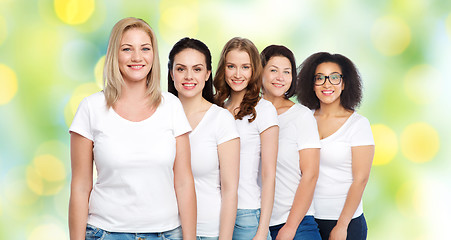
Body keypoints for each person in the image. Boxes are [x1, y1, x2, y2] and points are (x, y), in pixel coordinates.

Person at [68, 17, 196, 240]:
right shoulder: (91, 108)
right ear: (114, 55)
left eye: (145, 48)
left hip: (166, 234)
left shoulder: (172, 107)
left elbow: (184, 181)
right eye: (127, 49)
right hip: (106, 233)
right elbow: (80, 186)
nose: (137, 57)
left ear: (153, 55)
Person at [167, 37, 240, 240]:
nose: (189, 76)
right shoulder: (159, 116)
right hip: (163, 231)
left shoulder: (221, 119)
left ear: (207, 74)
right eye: (181, 69)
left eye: (197, 69)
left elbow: (230, 190)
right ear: (171, 73)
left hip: (207, 232)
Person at [297, 52, 375, 240]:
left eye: (334, 77)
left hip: (344, 222)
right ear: (311, 84)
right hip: (306, 219)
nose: (327, 84)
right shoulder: (302, 119)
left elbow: (361, 179)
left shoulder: (358, 124)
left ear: (344, 83)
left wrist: (342, 226)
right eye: (320, 78)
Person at [213, 37, 279, 240]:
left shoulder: (264, 110)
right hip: (214, 213)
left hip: (247, 215)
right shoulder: (216, 108)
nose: (238, 74)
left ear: (254, 71)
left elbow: (269, 175)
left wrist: (261, 232)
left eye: (245, 67)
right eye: (231, 66)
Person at [260, 45, 321, 240]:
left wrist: (290, 227)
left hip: (295, 224)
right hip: (254, 223)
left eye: (287, 72)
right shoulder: (247, 113)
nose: (280, 77)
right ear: (259, 72)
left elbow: (310, 174)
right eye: (273, 70)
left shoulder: (301, 116)